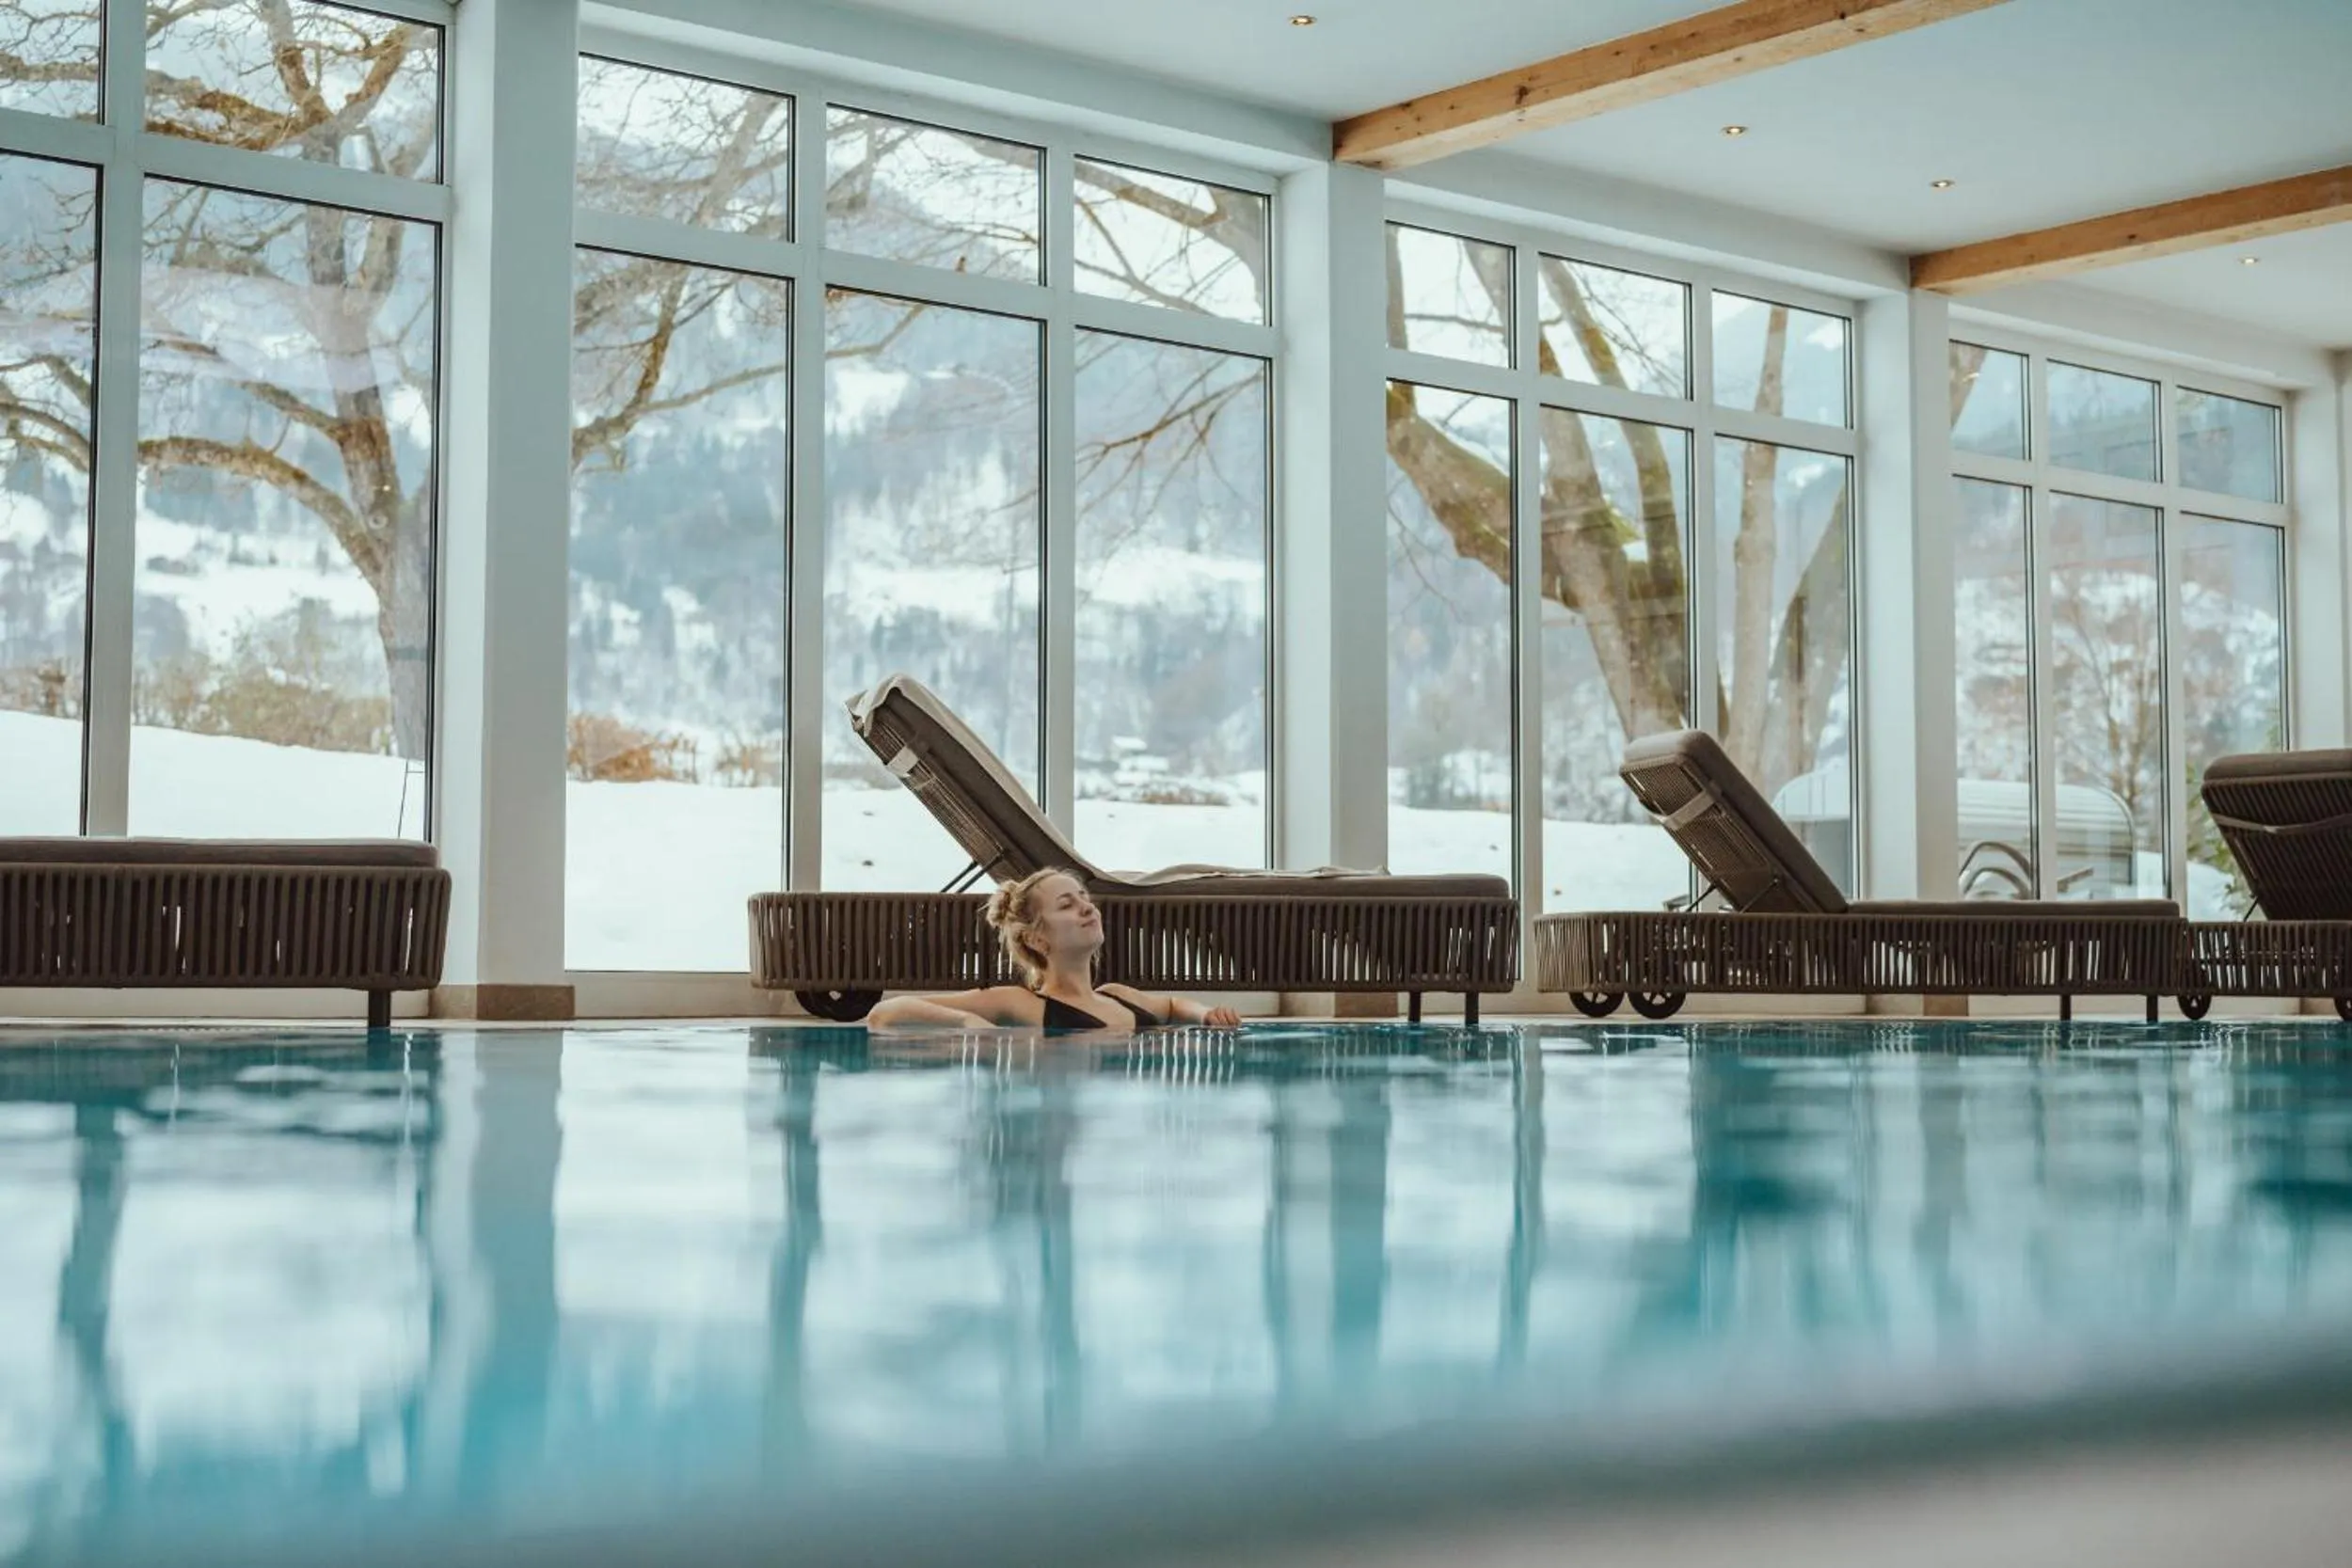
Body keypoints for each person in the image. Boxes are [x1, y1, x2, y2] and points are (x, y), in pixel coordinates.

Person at [866, 867, 1244, 1032]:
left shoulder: (1119, 996)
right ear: (1037, 939)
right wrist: (966, 1022)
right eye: (1066, 905)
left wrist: (1207, 1014)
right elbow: (886, 1012)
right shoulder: (1023, 1004)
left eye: (1084, 898)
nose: (1086, 907)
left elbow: (1174, 1006)